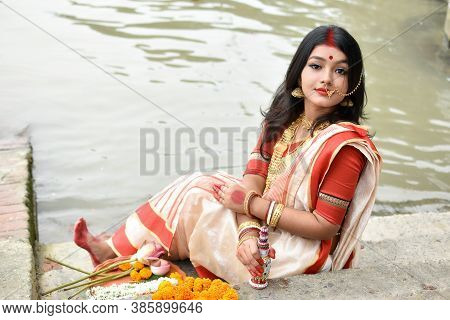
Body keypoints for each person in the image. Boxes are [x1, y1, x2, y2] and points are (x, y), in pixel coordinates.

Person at [74, 25, 382, 285]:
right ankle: (118, 250)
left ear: (352, 84)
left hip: (299, 250)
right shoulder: (283, 119)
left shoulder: (344, 145)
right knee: (201, 185)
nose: (326, 78)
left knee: (201, 200)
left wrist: (249, 205)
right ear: (299, 71)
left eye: (339, 70)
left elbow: (324, 226)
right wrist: (247, 230)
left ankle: (125, 254)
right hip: (264, 224)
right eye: (316, 66)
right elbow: (254, 178)